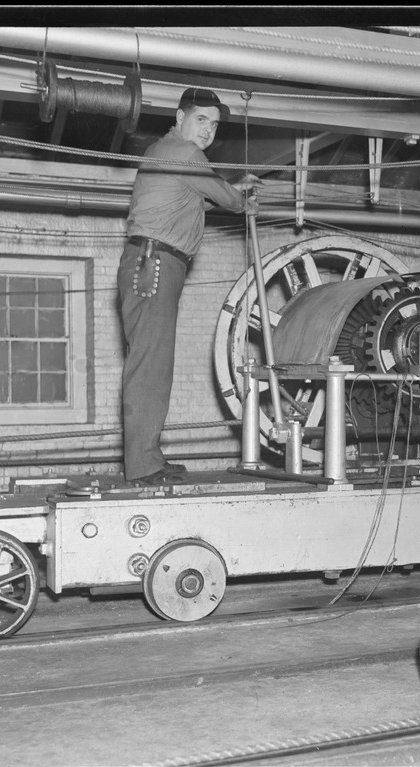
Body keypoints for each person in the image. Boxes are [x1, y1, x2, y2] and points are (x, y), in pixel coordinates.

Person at [118, 87, 257, 485]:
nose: (208, 131)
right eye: (201, 120)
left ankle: (148, 458)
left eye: (214, 125)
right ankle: (142, 465)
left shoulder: (169, 153)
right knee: (150, 366)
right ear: (179, 117)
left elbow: (204, 196)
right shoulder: (185, 153)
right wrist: (242, 195)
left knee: (153, 364)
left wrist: (231, 189)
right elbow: (228, 201)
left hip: (153, 263)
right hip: (155, 264)